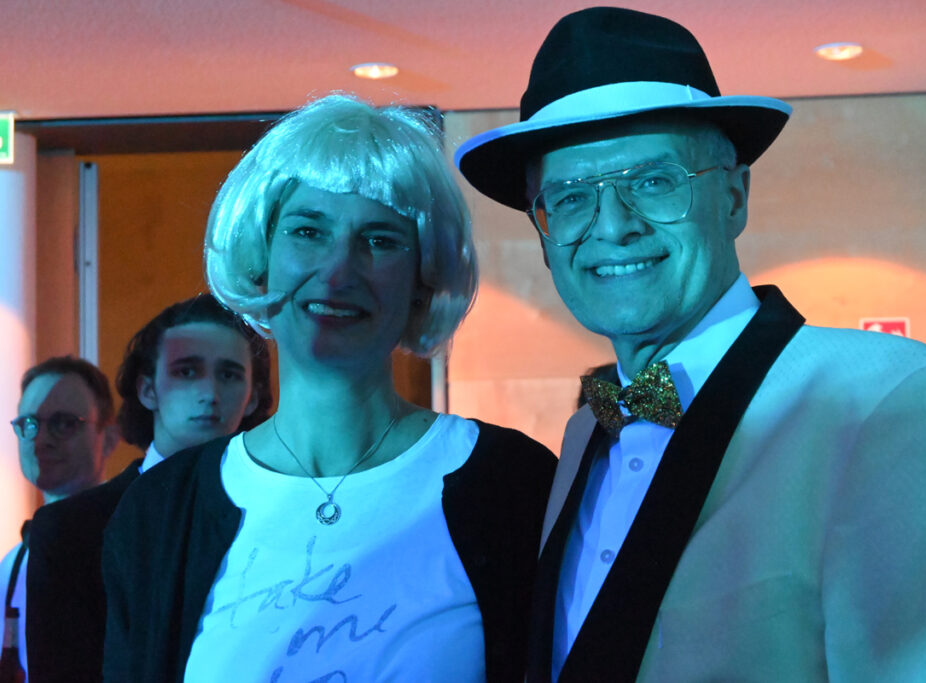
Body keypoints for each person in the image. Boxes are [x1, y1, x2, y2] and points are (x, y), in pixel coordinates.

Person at [456, 7, 926, 681]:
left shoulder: (891, 402)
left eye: (653, 182)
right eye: (571, 198)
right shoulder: (586, 434)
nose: (612, 226)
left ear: (733, 196)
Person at [102, 93, 556, 683]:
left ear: (422, 281)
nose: (339, 271)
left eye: (380, 240)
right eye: (308, 231)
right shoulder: (162, 511)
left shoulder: (514, 483)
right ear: (261, 261)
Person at [25, 294, 272, 682]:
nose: (208, 393)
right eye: (186, 372)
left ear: (252, 396)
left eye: (229, 375)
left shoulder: (274, 517)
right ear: (147, 389)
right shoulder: (70, 530)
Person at [2, 357, 118, 679]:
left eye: (64, 423)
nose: (41, 439)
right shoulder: (13, 562)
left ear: (109, 438)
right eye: (29, 423)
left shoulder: (130, 542)